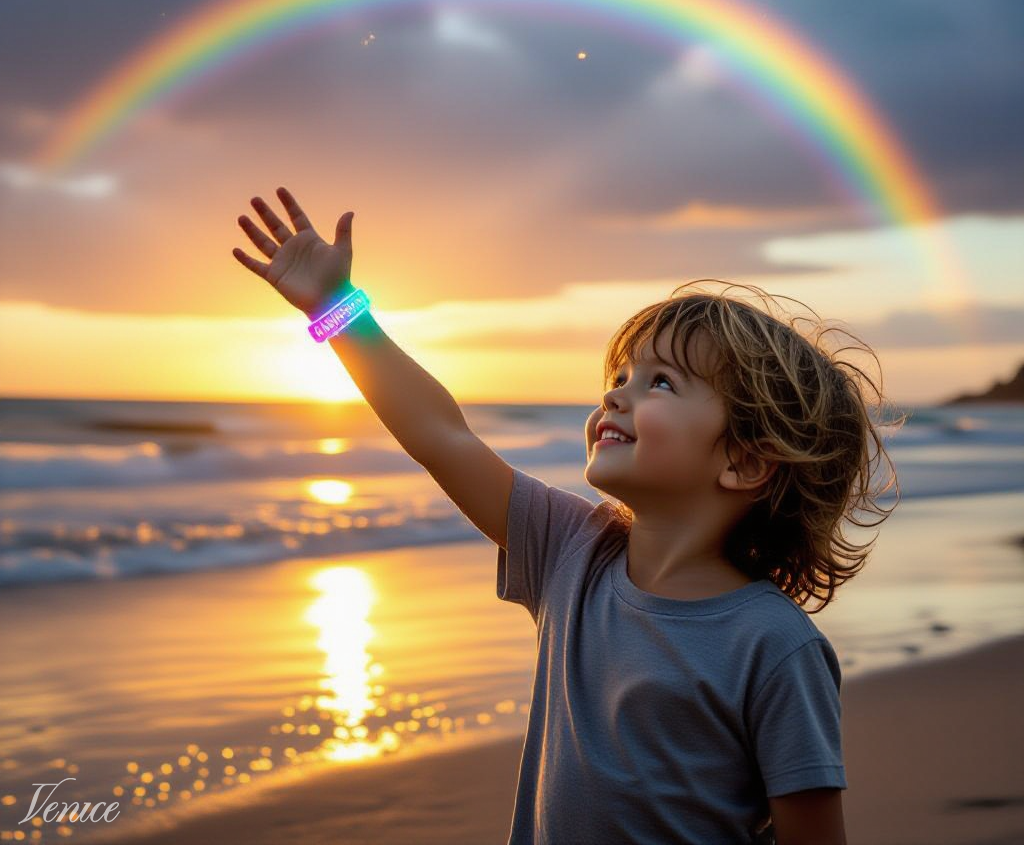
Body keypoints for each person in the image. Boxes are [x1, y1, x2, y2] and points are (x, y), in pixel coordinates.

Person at [233, 186, 904, 845]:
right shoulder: (572, 553)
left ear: (748, 463)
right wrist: (338, 310)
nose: (615, 396)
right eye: (620, 378)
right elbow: (443, 435)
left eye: (660, 382)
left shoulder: (773, 646)